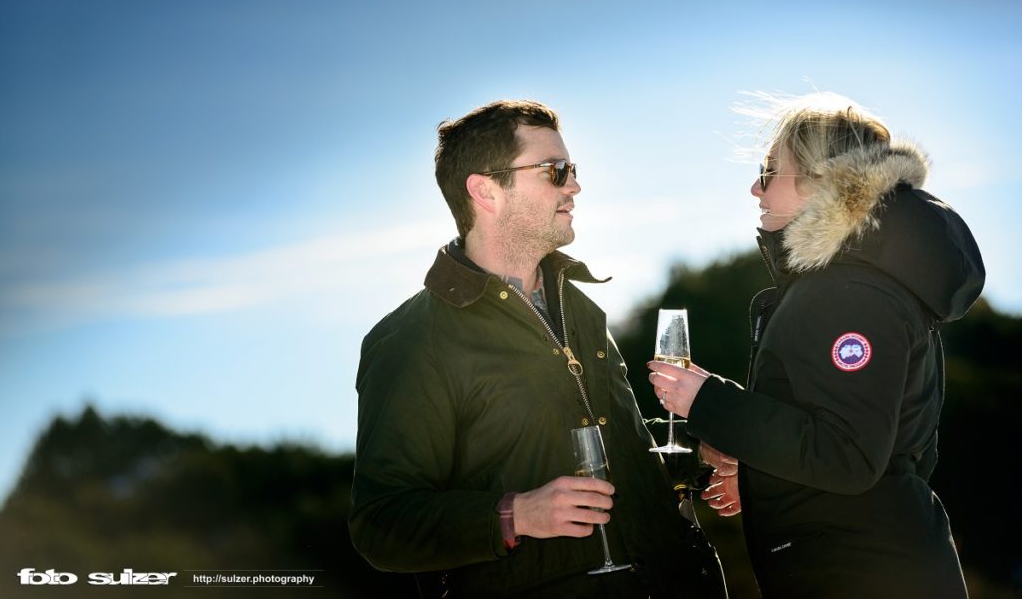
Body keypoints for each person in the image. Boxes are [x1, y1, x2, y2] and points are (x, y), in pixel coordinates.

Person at [349, 99, 728, 598]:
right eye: (555, 170)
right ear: (486, 191)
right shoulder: (414, 341)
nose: (574, 185)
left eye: (572, 169)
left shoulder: (581, 308)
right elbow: (382, 523)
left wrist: (702, 455)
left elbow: (605, 449)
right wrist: (515, 514)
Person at [648, 92, 985, 598]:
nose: (754, 188)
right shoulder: (859, 283)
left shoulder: (848, 293)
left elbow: (846, 454)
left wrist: (707, 401)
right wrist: (766, 480)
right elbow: (861, 448)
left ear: (822, 180)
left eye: (768, 171)